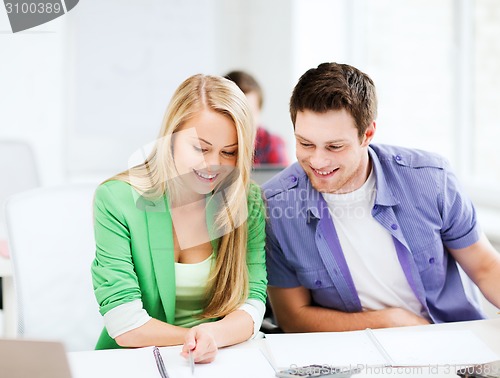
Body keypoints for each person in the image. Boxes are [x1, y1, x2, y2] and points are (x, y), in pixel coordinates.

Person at [263, 62, 500, 333]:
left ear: (368, 134)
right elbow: (293, 318)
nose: (318, 160)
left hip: (447, 343)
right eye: (305, 144)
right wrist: (390, 322)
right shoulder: (276, 205)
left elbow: (485, 267)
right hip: (351, 355)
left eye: (335, 146)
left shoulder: (431, 180)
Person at [91, 74, 267, 363]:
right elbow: (125, 324)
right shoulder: (116, 199)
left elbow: (252, 304)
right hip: (134, 363)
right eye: (200, 148)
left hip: (219, 362)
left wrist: (213, 339)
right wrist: (200, 339)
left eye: (229, 152)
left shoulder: (246, 201)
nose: (214, 165)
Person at [224, 70, 288, 165]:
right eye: (236, 113)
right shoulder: (211, 143)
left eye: (250, 114)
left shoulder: (272, 144)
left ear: (259, 112)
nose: (242, 122)